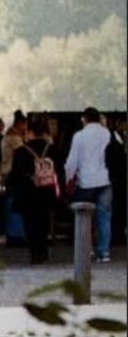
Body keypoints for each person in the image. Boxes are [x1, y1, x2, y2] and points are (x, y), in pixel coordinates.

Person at [64, 107, 114, 263]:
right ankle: (104, 252)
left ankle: (88, 251)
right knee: (104, 216)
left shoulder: (79, 136)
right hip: (106, 180)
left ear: (84, 119)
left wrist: (68, 178)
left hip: (85, 182)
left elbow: (72, 161)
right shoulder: (107, 133)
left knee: (85, 217)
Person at [9, 114, 61, 264]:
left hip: (27, 194)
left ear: (29, 131)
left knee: (30, 223)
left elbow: (15, 176)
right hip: (46, 191)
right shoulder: (52, 149)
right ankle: (43, 250)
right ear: (45, 132)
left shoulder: (20, 151)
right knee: (44, 221)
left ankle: (35, 252)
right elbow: (60, 171)